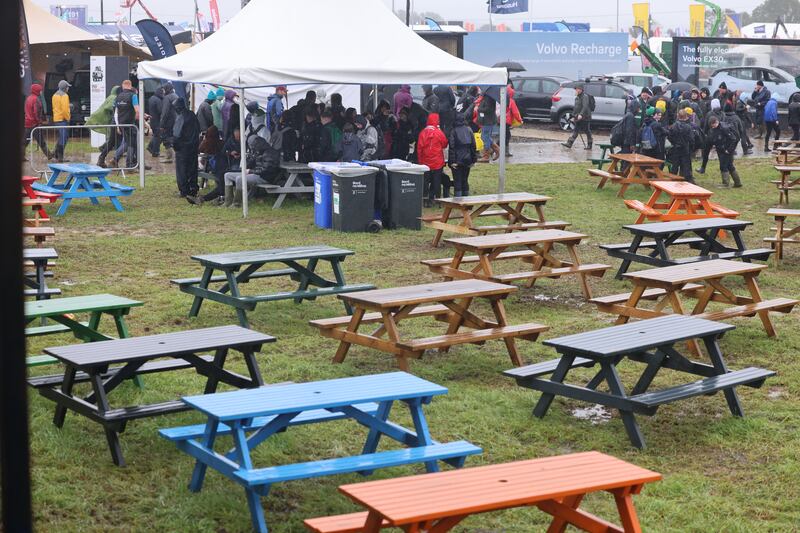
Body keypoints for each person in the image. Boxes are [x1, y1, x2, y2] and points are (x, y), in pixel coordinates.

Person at [222, 136, 282, 207]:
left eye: (253, 146)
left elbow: (266, 170)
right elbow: (250, 164)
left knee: (240, 179)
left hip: (264, 177)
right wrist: (250, 157)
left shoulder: (271, 153)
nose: (252, 147)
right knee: (227, 175)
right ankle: (228, 201)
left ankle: (237, 203)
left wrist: (250, 171)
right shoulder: (258, 151)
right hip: (255, 174)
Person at [172, 98, 201, 203]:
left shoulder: (181, 117)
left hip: (182, 148)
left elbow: (176, 134)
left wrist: (175, 146)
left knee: (182, 171)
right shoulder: (192, 115)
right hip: (193, 147)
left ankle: (184, 191)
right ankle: (193, 188)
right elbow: (199, 128)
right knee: (192, 169)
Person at [417, 113, 449, 207]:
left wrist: (420, 161)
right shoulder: (439, 132)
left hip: (425, 162)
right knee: (437, 181)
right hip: (437, 162)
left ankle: (425, 200)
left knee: (426, 181)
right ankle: (438, 199)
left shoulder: (423, 132)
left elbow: (419, 148)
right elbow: (444, 144)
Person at [88, 86, 120, 167]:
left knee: (113, 141)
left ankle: (105, 157)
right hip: (114, 122)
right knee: (114, 141)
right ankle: (106, 156)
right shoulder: (114, 97)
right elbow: (108, 107)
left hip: (112, 122)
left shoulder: (111, 96)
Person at [707, 115, 742, 188]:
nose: (712, 127)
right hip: (722, 150)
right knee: (730, 165)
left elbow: (733, 139)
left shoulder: (724, 128)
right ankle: (737, 183)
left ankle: (726, 183)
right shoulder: (718, 128)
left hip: (726, 151)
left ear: (716, 122)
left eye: (713, 125)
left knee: (723, 166)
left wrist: (729, 150)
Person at [448, 113, 477, 197]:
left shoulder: (453, 131)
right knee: (465, 179)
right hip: (467, 159)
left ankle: (458, 200)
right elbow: (473, 146)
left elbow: (452, 147)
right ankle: (465, 199)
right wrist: (473, 159)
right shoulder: (469, 129)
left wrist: (452, 161)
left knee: (457, 180)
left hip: (457, 159)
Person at [112, 80, 140, 168]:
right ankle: (129, 164)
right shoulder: (133, 95)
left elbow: (115, 112)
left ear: (123, 86)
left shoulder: (118, 96)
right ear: (130, 86)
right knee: (131, 143)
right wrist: (138, 119)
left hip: (121, 123)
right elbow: (137, 110)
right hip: (130, 124)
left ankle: (117, 159)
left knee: (128, 142)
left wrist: (117, 125)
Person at [561, 82, 593, 151]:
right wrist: (573, 116)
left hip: (585, 117)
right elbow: (576, 108)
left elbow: (585, 106)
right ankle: (569, 143)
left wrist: (581, 114)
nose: (576, 90)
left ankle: (590, 145)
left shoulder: (585, 97)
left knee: (587, 130)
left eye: (578, 89)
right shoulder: (577, 98)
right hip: (578, 116)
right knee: (576, 130)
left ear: (581, 89)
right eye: (576, 89)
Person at [24, 83, 52, 160]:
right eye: (40, 90)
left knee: (25, 141)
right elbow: (35, 112)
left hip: (27, 123)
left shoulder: (28, 98)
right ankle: (49, 155)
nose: (41, 92)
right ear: (37, 91)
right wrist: (39, 121)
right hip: (34, 124)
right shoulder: (36, 99)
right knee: (41, 141)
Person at [667, 109, 696, 183]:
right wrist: (691, 148)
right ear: (686, 116)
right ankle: (687, 182)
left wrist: (674, 143)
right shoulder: (688, 127)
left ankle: (672, 182)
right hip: (685, 149)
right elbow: (692, 139)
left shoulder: (673, 126)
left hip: (675, 148)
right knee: (686, 166)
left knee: (674, 167)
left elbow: (669, 137)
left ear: (678, 116)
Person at [697, 98, 724, 174]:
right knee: (720, 154)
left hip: (710, 136)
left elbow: (706, 126)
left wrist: (704, 134)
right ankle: (723, 170)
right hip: (719, 136)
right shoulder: (722, 113)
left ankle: (703, 168)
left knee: (706, 153)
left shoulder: (709, 114)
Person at [51, 80, 71, 162]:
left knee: (62, 137)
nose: (68, 88)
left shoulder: (54, 95)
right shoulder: (65, 96)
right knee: (63, 138)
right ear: (65, 88)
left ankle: (56, 154)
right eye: (67, 87)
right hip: (63, 119)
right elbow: (65, 109)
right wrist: (68, 118)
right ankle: (60, 157)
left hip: (56, 119)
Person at [160, 82, 179, 163]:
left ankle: (170, 157)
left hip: (169, 122)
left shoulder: (167, 98)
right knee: (174, 138)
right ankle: (175, 156)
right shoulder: (176, 96)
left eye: (164, 89)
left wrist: (162, 124)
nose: (163, 91)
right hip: (177, 121)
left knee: (166, 139)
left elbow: (165, 112)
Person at [477, 93, 499, 162]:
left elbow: (488, 109)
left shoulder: (489, 97)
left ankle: (486, 156)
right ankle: (496, 149)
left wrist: (479, 108)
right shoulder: (486, 96)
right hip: (486, 120)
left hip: (488, 120)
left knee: (484, 137)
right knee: (485, 136)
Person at [734, 90, 754, 155]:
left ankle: (746, 148)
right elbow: (738, 109)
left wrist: (751, 122)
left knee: (742, 136)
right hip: (740, 122)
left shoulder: (742, 103)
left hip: (741, 122)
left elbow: (746, 114)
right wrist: (745, 108)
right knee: (743, 137)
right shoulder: (739, 103)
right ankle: (745, 150)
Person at [505, 85, 522, 157]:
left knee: (504, 135)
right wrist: (520, 120)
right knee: (507, 136)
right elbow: (515, 112)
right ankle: (503, 151)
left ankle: (496, 149)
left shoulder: (501, 99)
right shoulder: (511, 101)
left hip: (500, 120)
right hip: (507, 121)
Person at [146, 86, 164, 157]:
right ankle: (155, 152)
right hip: (157, 121)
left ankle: (150, 148)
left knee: (156, 135)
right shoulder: (158, 100)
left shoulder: (151, 98)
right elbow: (160, 111)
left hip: (153, 120)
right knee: (158, 136)